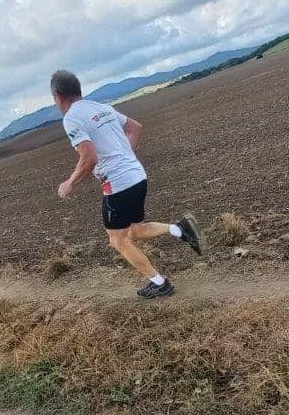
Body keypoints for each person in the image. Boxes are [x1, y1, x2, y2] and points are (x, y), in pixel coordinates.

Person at [50, 69, 202, 298]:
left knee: (117, 240)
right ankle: (180, 229)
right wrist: (125, 156)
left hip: (118, 184)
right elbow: (135, 127)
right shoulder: (101, 107)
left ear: (58, 97)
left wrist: (70, 182)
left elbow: (89, 157)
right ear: (78, 90)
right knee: (134, 231)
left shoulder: (71, 118)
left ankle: (160, 283)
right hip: (137, 176)